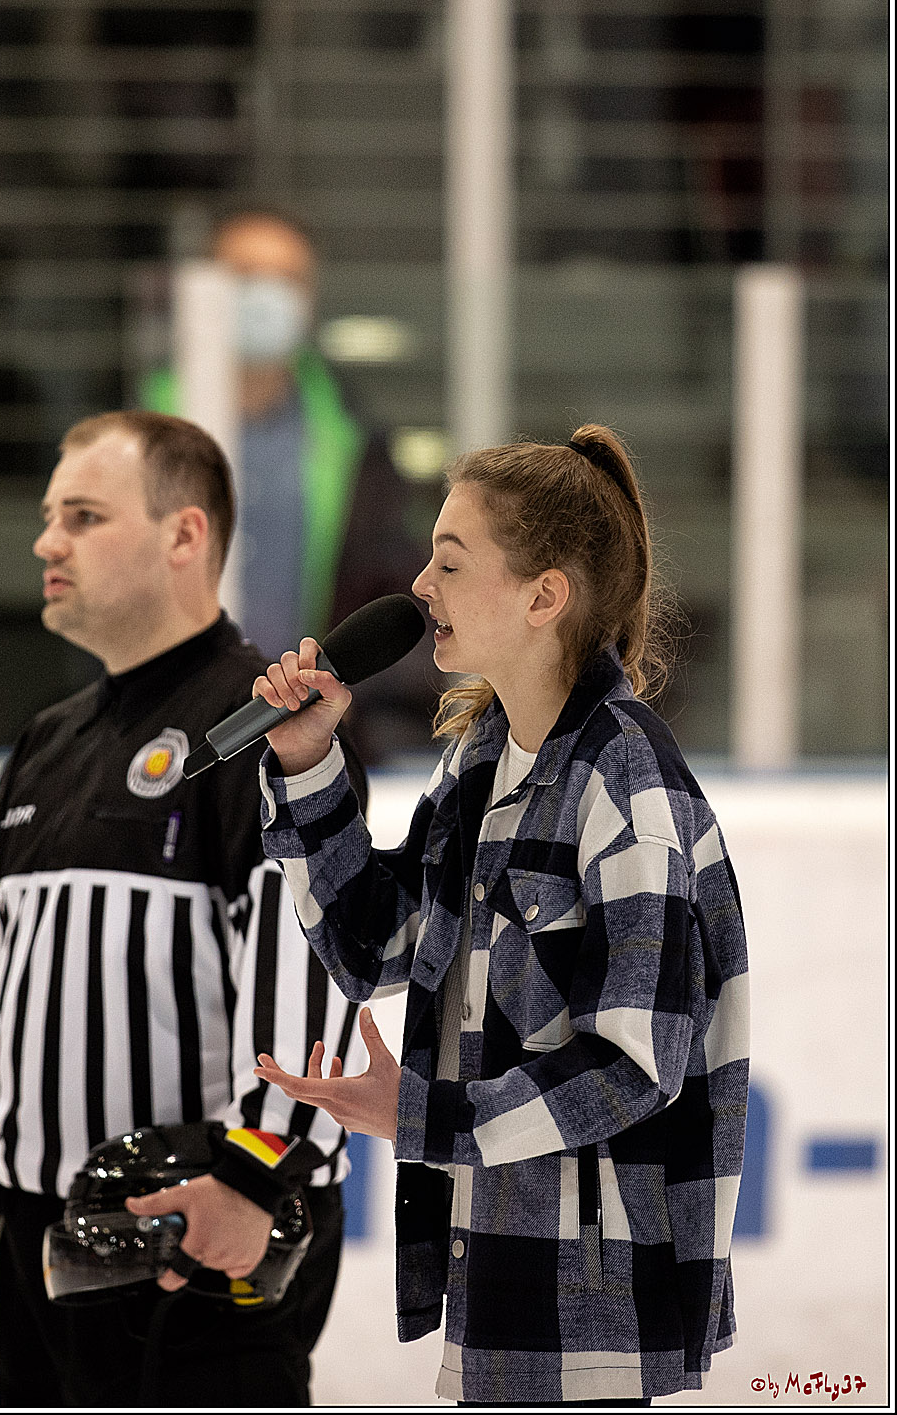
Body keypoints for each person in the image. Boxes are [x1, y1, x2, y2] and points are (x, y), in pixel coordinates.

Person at [250, 426, 750, 1406]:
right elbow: (374, 942)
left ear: (542, 594)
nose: (418, 586)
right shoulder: (481, 757)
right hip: (496, 1283)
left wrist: (426, 1117)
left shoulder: (625, 777)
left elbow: (632, 1067)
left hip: (592, 1311)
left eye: (448, 560)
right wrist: (309, 761)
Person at [0, 410, 368, 1408]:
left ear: (183, 535)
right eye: (48, 517)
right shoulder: (47, 740)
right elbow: (2, 991)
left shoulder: (264, 724)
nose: (46, 542)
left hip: (199, 1242)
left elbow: (316, 971)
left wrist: (251, 1179)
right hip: (45, 1247)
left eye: (81, 515)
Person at [144, 206, 436, 758]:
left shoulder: (355, 445)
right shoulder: (137, 435)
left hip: (311, 737)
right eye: (247, 277)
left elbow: (386, 589)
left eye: (286, 280)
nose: (266, 296)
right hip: (168, 736)